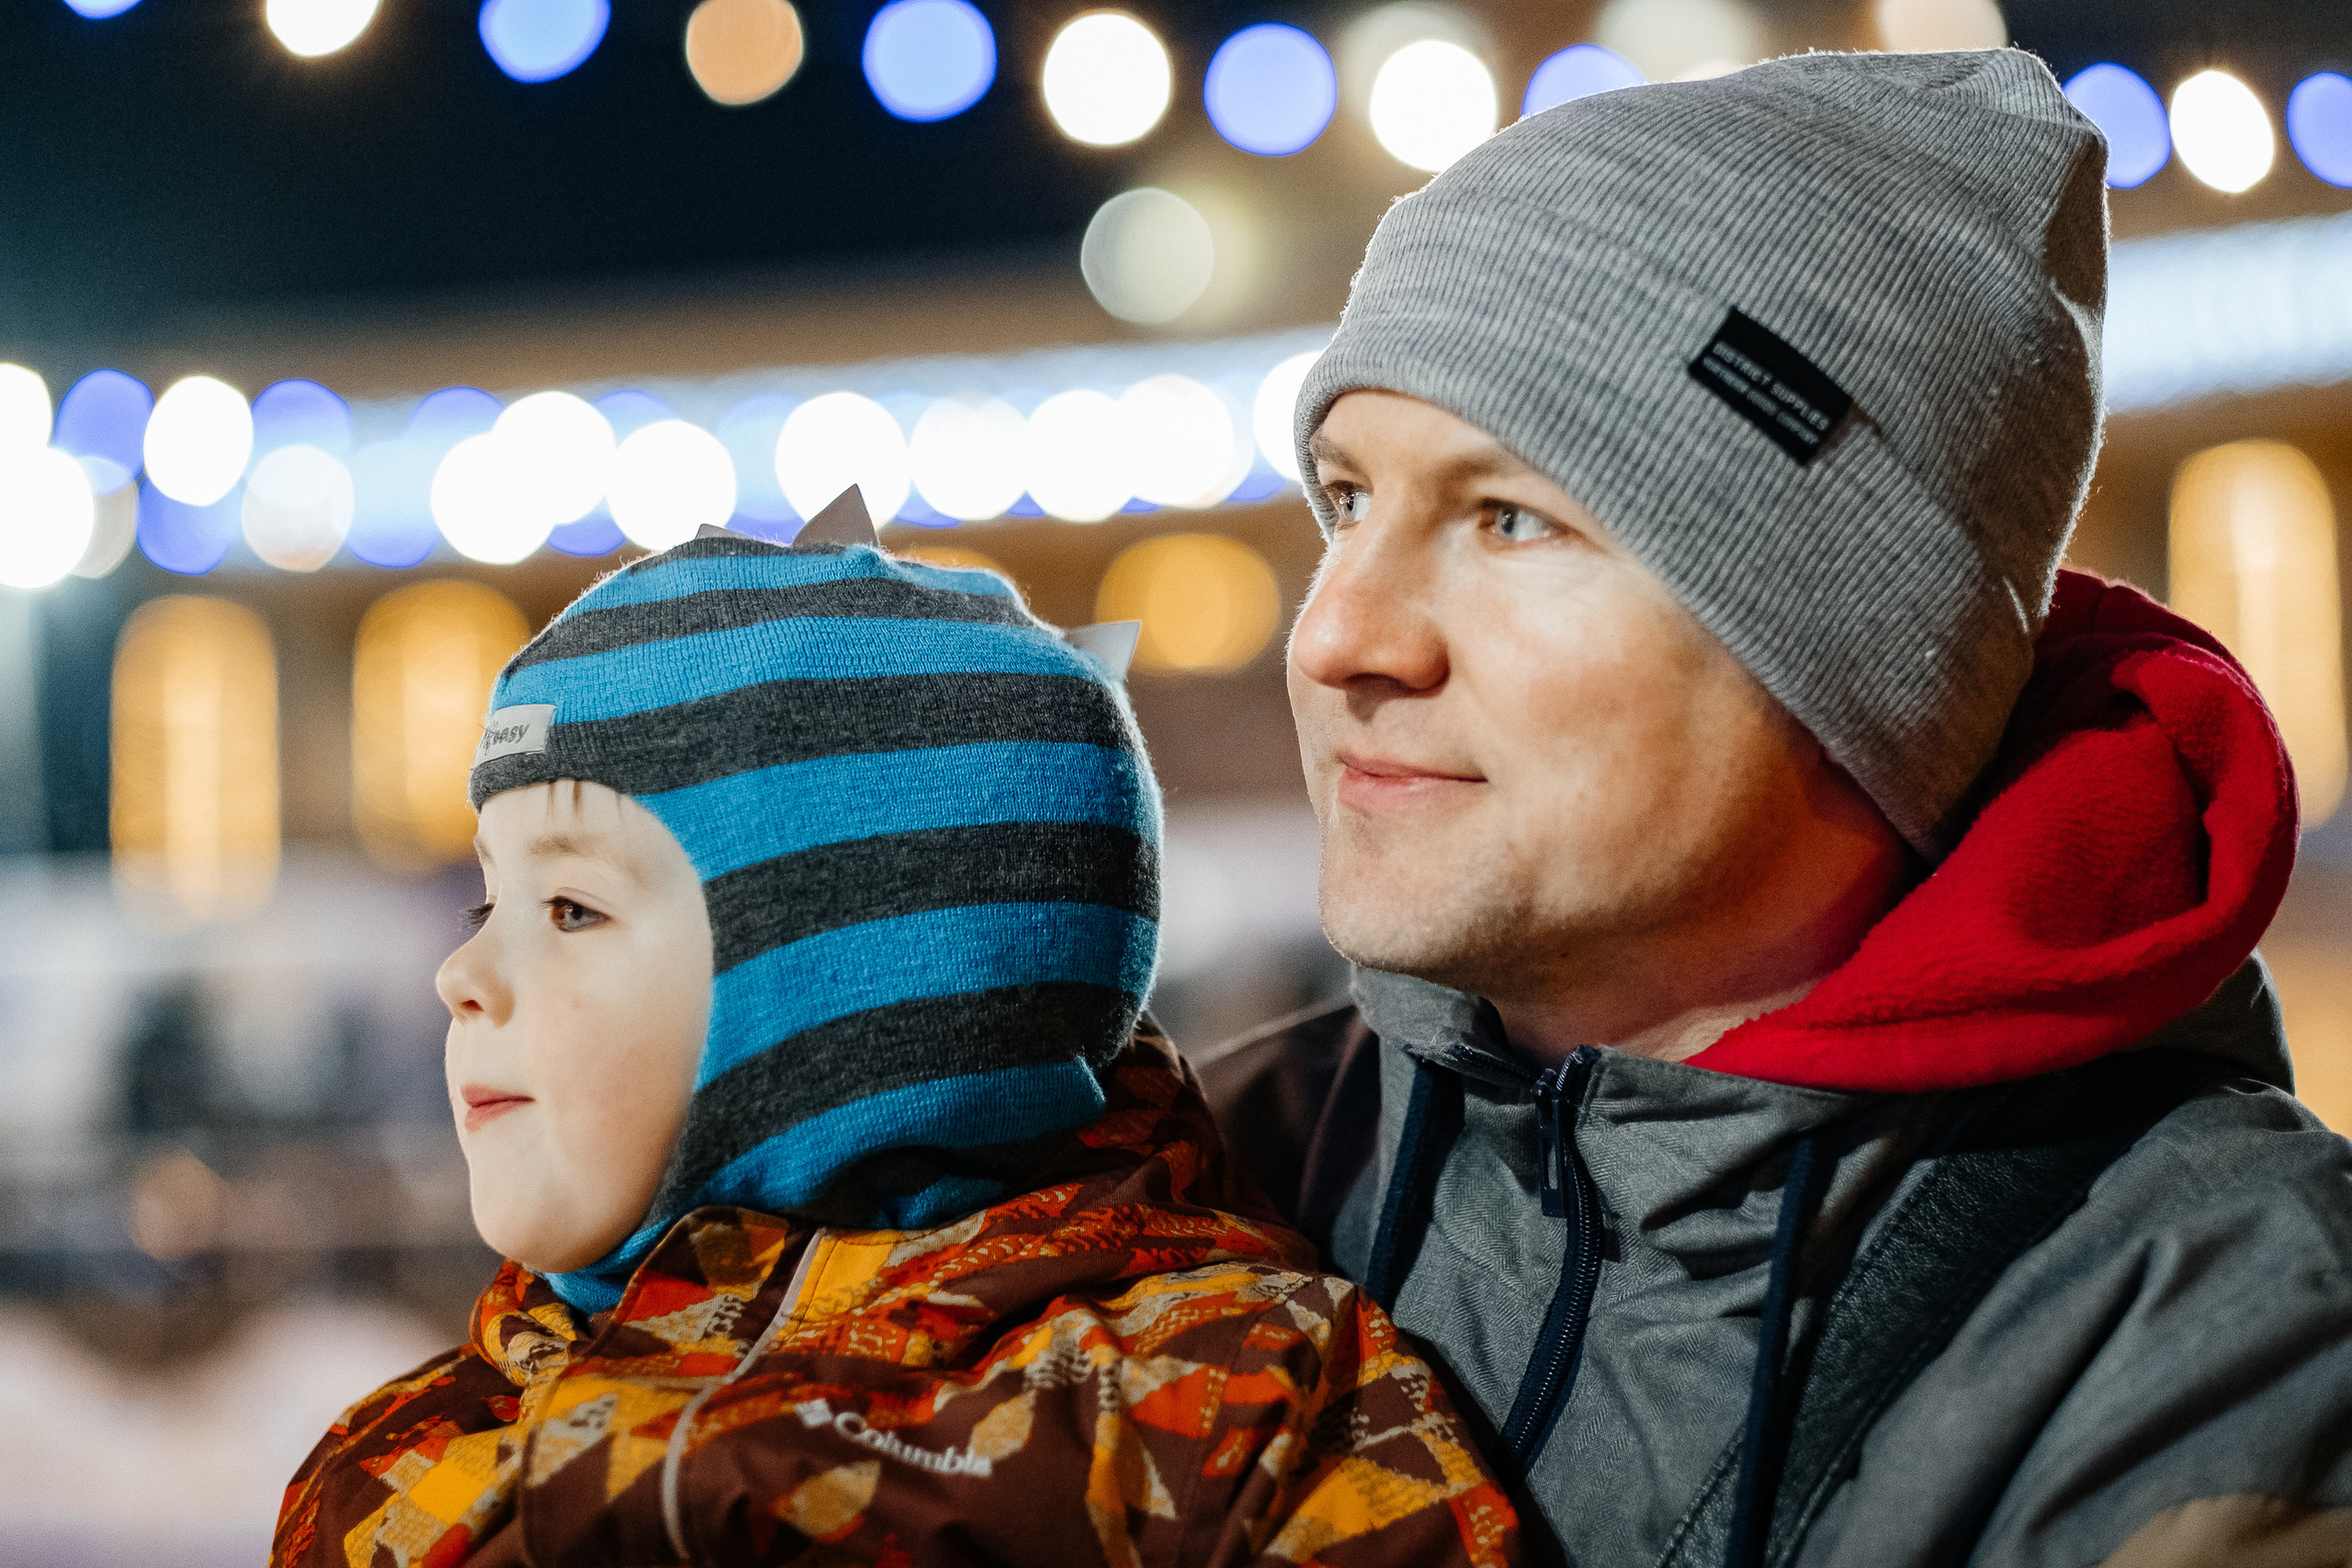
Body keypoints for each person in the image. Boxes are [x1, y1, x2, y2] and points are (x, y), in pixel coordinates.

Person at [1202, 48, 2352, 1567]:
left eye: (1510, 518)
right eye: (1346, 499)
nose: (1343, 637)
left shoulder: (2223, 1337)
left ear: (1856, 656)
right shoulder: (1224, 1161)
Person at [273, 509, 1518, 1568]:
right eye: (488, 901)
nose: (461, 974)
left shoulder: (1228, 1412)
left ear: (857, 1002)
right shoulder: (401, 1459)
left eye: (571, 910)